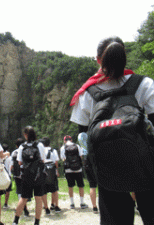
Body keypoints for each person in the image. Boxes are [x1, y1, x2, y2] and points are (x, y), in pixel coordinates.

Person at [70, 36, 154, 224]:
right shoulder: (144, 84)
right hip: (147, 165)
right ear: (124, 56)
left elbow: (83, 136)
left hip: (108, 168)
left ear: (99, 60)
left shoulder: (87, 93)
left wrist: (90, 165)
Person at [12, 126, 46, 225]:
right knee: (38, 199)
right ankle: (36, 222)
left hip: (27, 176)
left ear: (26, 135)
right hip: (38, 176)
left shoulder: (22, 147)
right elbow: (43, 160)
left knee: (23, 198)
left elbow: (19, 163)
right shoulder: (39, 145)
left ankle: (15, 221)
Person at [60, 135, 88, 209]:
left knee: (70, 186)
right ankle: (82, 203)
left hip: (68, 169)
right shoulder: (77, 146)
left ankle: (72, 204)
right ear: (71, 139)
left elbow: (63, 158)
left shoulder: (63, 148)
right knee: (81, 186)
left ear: (64, 140)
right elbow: (81, 156)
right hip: (78, 169)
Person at [78, 132, 98, 214]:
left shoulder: (81, 147)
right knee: (101, 184)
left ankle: (94, 207)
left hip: (86, 162)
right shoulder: (92, 142)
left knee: (92, 185)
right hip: (94, 159)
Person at [41, 137, 61, 214]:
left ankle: (46, 208)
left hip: (43, 172)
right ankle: (55, 206)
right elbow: (56, 162)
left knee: (44, 191)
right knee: (54, 190)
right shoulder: (53, 151)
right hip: (52, 172)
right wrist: (57, 171)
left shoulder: (40, 151)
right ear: (49, 143)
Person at [11, 138, 30, 216]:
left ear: (16, 145)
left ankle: (23, 208)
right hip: (25, 174)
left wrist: (11, 173)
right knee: (25, 191)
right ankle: (25, 208)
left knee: (19, 191)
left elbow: (12, 165)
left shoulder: (14, 153)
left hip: (17, 174)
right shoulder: (26, 151)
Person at [2, 143, 12, 209]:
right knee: (7, 190)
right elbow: (10, 167)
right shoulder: (9, 158)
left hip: (0, 175)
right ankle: (5, 203)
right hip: (8, 174)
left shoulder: (0, 157)